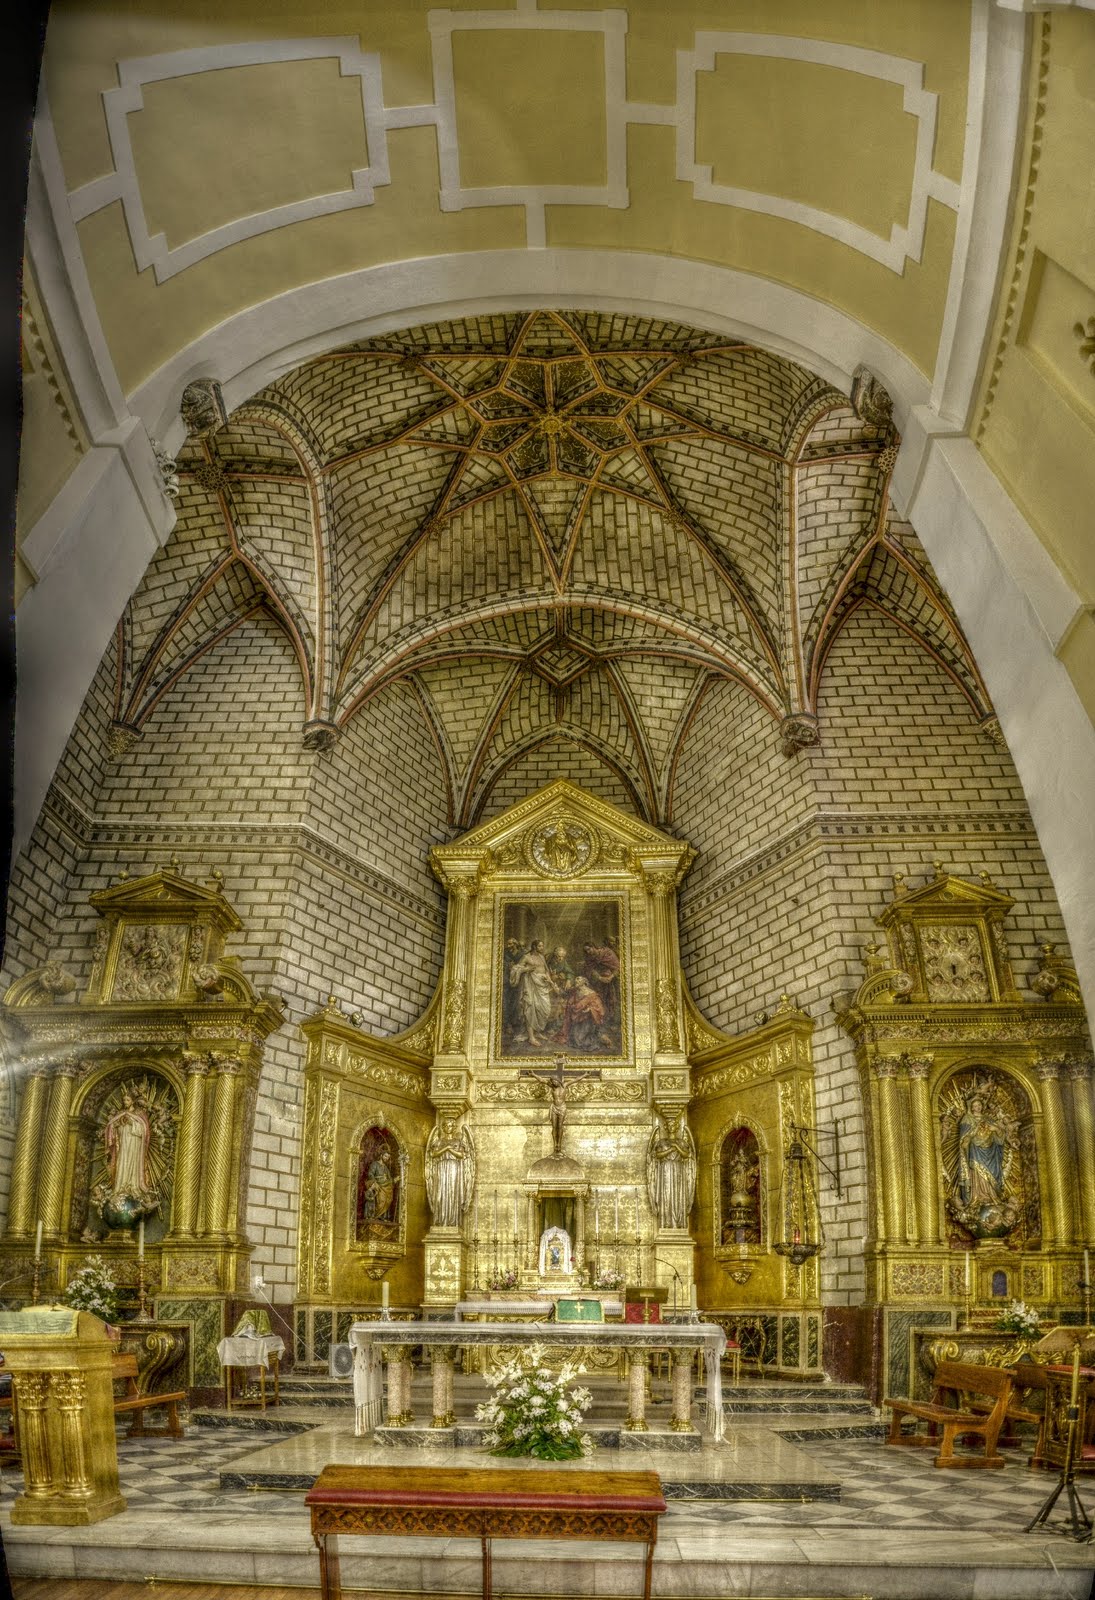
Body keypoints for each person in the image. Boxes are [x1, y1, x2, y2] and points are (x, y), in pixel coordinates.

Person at [648, 1111, 696, 1230]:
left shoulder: (682, 1142)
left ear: (676, 1127)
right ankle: (667, 1223)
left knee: (679, 1195)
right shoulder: (662, 1142)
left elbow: (686, 1154)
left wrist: (677, 1147)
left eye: (673, 1124)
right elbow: (658, 1155)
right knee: (667, 1194)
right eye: (669, 1125)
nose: (671, 1127)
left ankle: (679, 1223)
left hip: (679, 1170)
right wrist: (671, 1150)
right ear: (666, 1127)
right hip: (665, 1171)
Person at [103, 1091, 152, 1201]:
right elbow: (111, 1127)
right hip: (123, 1144)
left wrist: (132, 1123)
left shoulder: (139, 1113)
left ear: (133, 1101)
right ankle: (120, 1187)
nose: (125, 1102)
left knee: (132, 1163)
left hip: (135, 1144)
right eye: (124, 1100)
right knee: (122, 1162)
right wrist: (116, 1125)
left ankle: (132, 1186)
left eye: (128, 1100)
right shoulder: (120, 1113)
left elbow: (144, 1131)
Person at [425, 1116, 473, 1227]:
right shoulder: (439, 1141)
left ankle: (452, 1220)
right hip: (441, 1168)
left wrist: (449, 1149)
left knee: (452, 1192)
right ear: (443, 1127)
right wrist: (445, 1148)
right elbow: (433, 1154)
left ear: (454, 1127)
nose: (448, 1127)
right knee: (440, 1192)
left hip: (454, 1168)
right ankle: (441, 1220)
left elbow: (461, 1155)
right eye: (446, 1125)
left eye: (451, 1125)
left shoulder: (458, 1141)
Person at [509, 938, 554, 1047]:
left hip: (542, 986)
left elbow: (546, 971)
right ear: (534, 947)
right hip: (530, 986)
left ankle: (537, 1031)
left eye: (542, 946)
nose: (542, 948)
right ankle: (531, 1037)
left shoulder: (541, 957)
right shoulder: (526, 957)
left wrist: (550, 981)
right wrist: (527, 969)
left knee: (544, 1009)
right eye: (540, 946)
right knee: (530, 1008)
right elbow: (515, 969)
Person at [560, 975, 605, 1052]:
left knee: (582, 1040)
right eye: (575, 980)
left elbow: (599, 1007)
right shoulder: (575, 991)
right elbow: (564, 995)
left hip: (586, 1019)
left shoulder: (591, 993)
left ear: (584, 982)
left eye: (578, 980)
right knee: (575, 1039)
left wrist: (590, 1009)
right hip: (577, 1017)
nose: (576, 981)